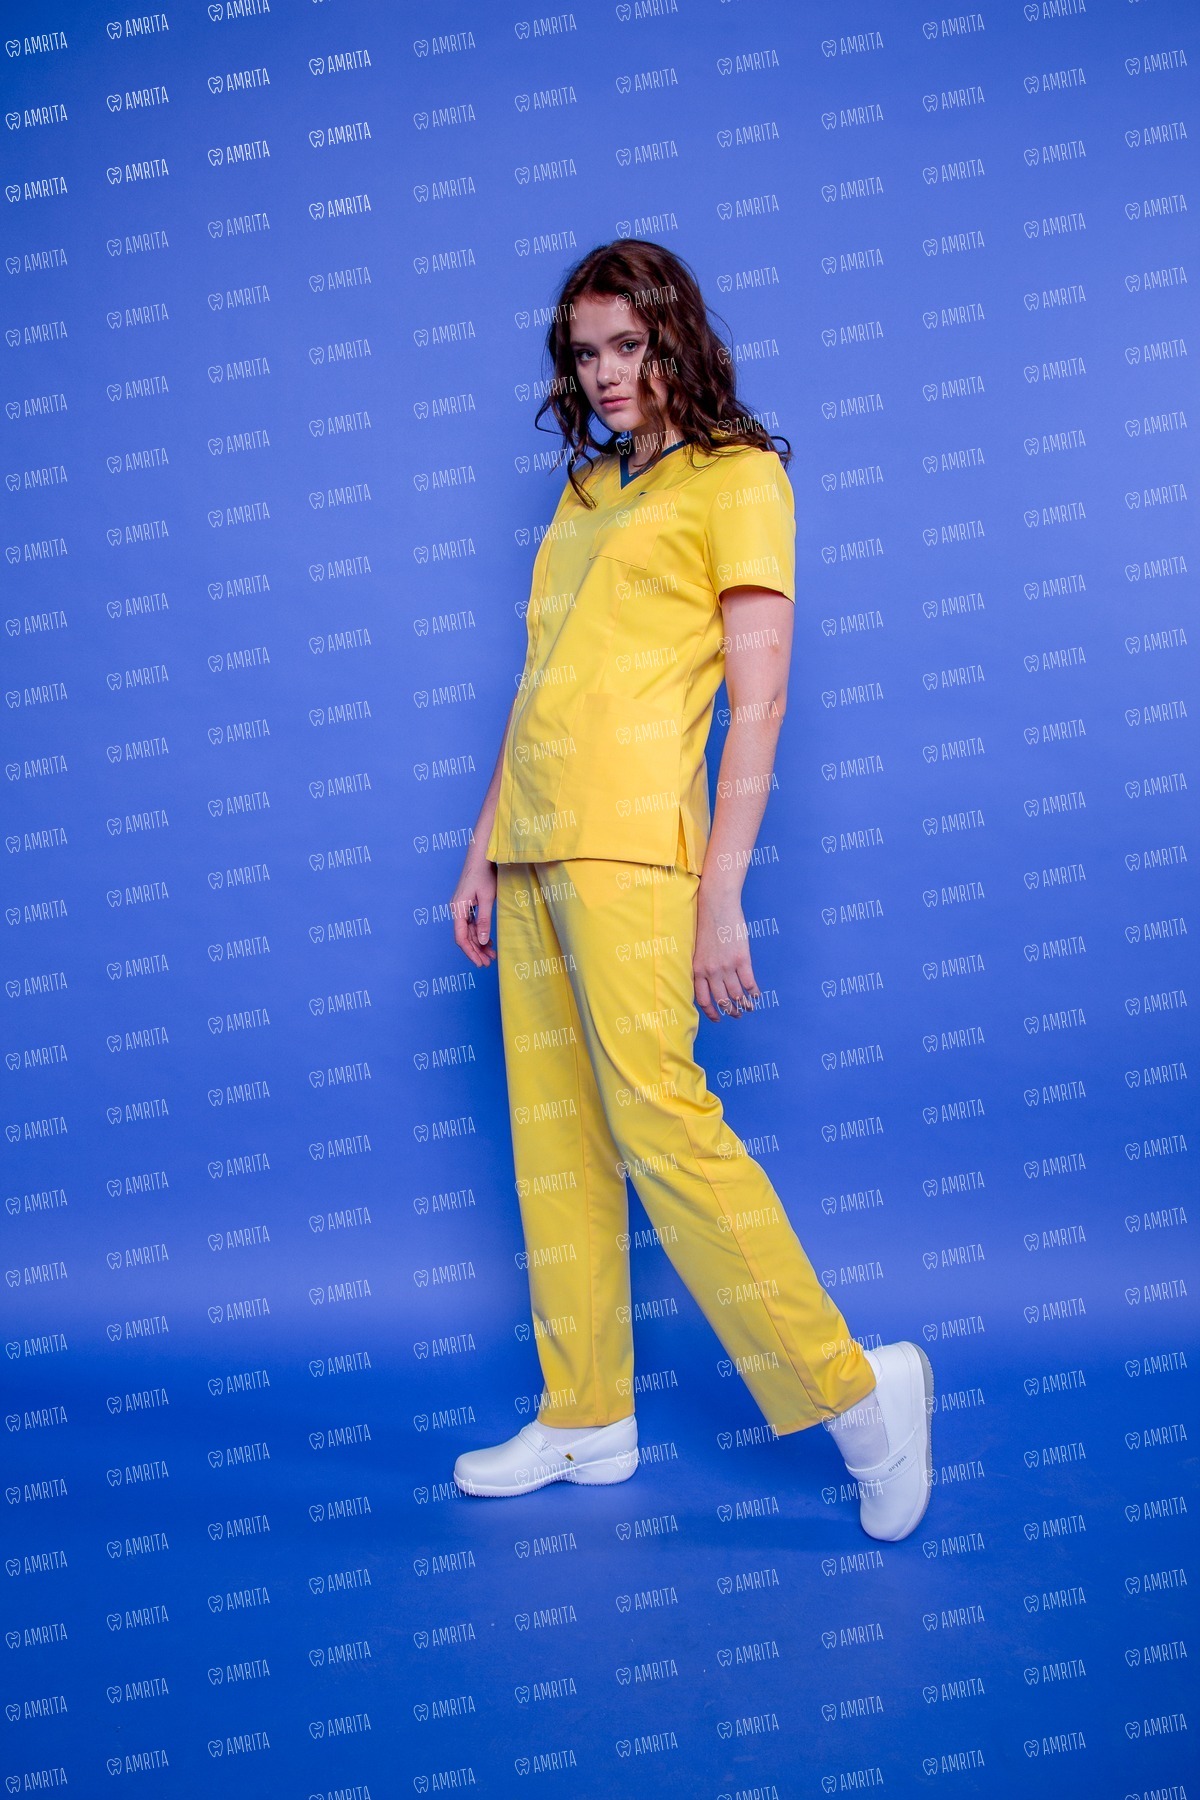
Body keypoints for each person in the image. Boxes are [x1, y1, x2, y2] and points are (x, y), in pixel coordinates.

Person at [447, 240, 933, 1543]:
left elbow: (759, 703)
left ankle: (857, 1393)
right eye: (585, 353)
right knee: (555, 1139)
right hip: (534, 848)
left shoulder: (741, 478)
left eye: (629, 345)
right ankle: (585, 1412)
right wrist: (484, 842)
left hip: (634, 849)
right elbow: (541, 678)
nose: (606, 374)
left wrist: (723, 897)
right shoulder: (586, 491)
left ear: (677, 340)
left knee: (661, 1122)